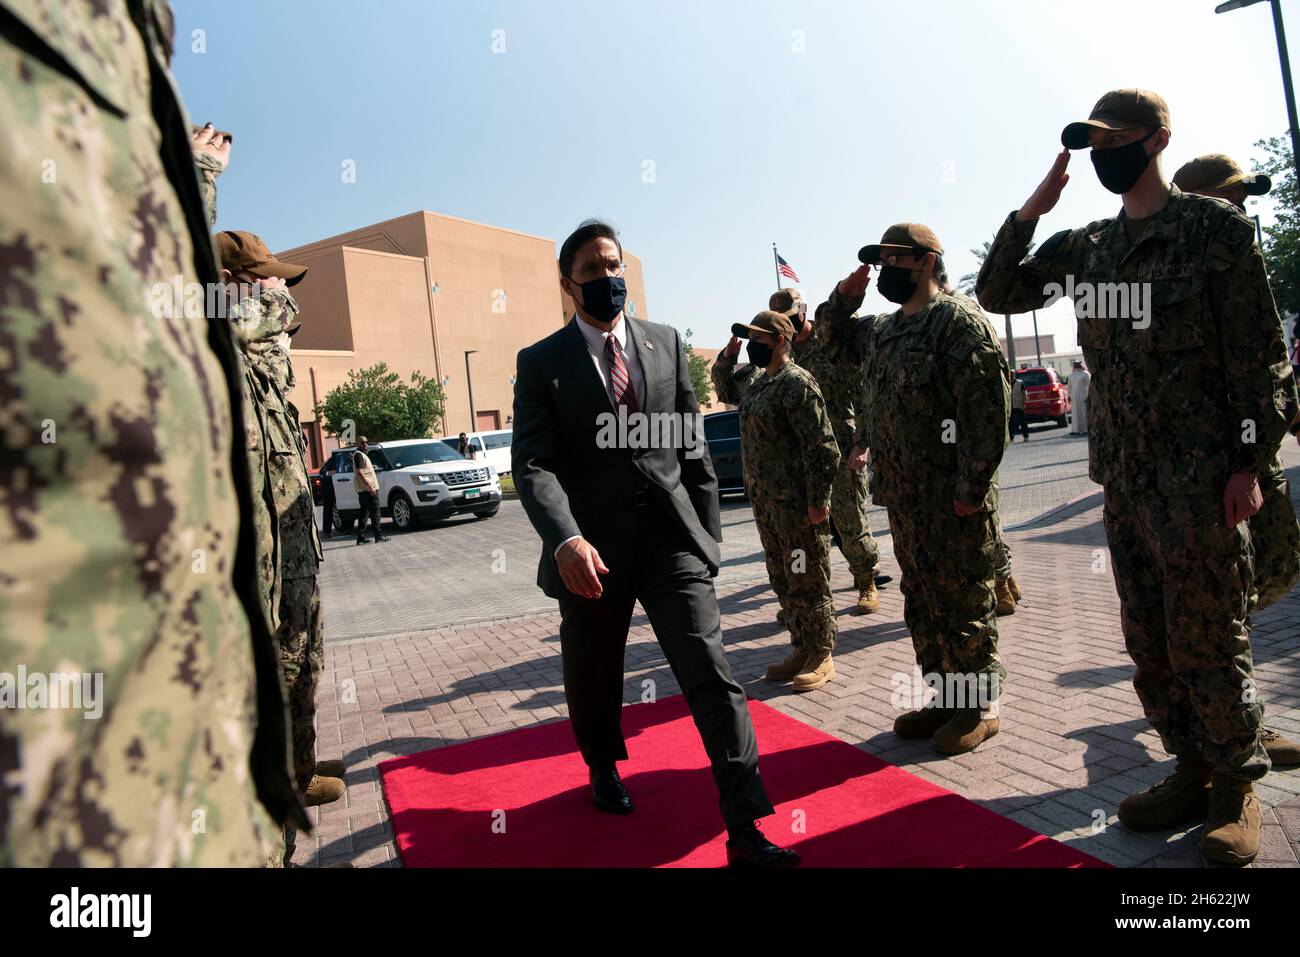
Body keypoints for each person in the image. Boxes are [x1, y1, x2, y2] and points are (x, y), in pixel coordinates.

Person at [0, 0, 303, 866]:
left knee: (286, 648)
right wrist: (202, 188)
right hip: (75, 787)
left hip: (182, 759)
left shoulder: (135, 51)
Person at [976, 88, 1300, 865]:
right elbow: (995, 292)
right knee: (1149, 639)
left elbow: (1263, 362)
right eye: (1091, 143)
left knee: (1211, 637)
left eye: (1114, 138)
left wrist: (1248, 465)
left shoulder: (1210, 229)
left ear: (1156, 141)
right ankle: (1189, 767)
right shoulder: (1085, 246)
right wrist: (1033, 209)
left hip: (1202, 487)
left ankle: (1235, 785)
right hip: (1125, 484)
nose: (1100, 154)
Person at [511, 219, 797, 867]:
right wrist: (564, 539)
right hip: (592, 553)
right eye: (592, 270)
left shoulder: (665, 344)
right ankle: (603, 762)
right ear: (567, 284)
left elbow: (691, 447)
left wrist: (706, 539)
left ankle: (747, 825)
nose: (608, 278)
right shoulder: (542, 364)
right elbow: (532, 463)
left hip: (670, 542)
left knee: (713, 676)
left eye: (613, 265)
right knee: (593, 671)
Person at [828, 224, 1011, 757]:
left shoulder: (957, 323)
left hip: (954, 499)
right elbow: (832, 339)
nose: (886, 270)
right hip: (906, 500)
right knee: (924, 602)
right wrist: (844, 298)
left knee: (964, 603)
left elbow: (986, 413)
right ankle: (944, 698)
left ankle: (978, 707)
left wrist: (971, 487)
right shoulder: (885, 331)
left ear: (927, 262)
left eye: (895, 260)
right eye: (880, 261)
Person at [217, 230, 341, 864]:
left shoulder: (265, 381)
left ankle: (300, 774)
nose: (282, 297)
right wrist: (269, 307)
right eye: (266, 282)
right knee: (270, 690)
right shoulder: (219, 359)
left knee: (305, 668)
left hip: (294, 567)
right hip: (253, 589)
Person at [1173, 153, 1300, 767]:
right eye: (1230, 199)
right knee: (1221, 606)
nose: (1241, 209)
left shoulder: (1238, 259)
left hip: (1254, 456)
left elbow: (1267, 359)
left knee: (1270, 573)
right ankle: (1236, 728)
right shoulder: (1175, 268)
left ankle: (1233, 708)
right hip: (1211, 470)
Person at [730, 310, 842, 689]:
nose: (752, 346)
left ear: (780, 340)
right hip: (768, 506)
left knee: (807, 577)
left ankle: (822, 653)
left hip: (797, 508)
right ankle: (801, 647)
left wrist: (817, 501)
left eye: (759, 339)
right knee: (783, 578)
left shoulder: (797, 384)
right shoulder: (760, 383)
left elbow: (823, 448)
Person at [353, 436, 387, 545]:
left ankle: (361, 537)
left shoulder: (362, 455)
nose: (365, 444)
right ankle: (378, 536)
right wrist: (370, 486)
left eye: (367, 442)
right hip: (368, 489)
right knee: (375, 511)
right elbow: (360, 472)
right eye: (363, 442)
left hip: (364, 489)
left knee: (364, 512)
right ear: (358, 444)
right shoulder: (359, 455)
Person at [1067, 360, 1091, 435]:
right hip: (1074, 397)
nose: (1076, 367)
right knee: (1075, 414)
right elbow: (1069, 387)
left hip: (1084, 396)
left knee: (1084, 413)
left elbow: (1090, 385)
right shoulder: (1071, 375)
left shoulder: (1085, 374)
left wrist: (1089, 396)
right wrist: (1070, 396)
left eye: (1077, 365)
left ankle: (1085, 429)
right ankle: (1075, 429)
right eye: (1075, 365)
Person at [320, 461, 338, 538]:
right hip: (329, 489)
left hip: (341, 488)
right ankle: (326, 532)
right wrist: (329, 473)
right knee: (328, 510)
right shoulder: (333, 459)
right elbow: (322, 472)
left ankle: (345, 527)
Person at [1010, 375, 1030, 442]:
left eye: (1012, 374)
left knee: (1023, 421)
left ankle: (1026, 436)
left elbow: (1024, 393)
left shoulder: (1020, 383)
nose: (1011, 375)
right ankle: (1011, 438)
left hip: (1019, 405)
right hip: (1010, 406)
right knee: (1011, 422)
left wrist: (1024, 403)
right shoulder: (1007, 382)